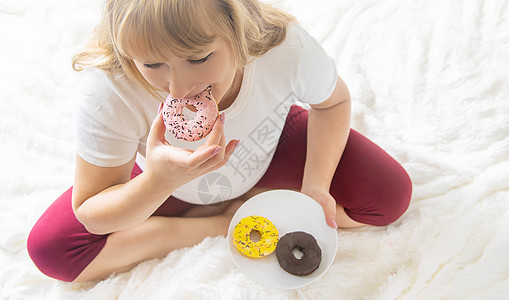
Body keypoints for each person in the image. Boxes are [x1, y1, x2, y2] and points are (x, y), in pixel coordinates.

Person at [27, 0, 412, 282]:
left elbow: (335, 102)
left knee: (389, 196)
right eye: (152, 64)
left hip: (269, 142)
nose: (177, 88)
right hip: (164, 181)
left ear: (238, 30)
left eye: (198, 59)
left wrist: (315, 186)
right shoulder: (110, 90)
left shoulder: (284, 49)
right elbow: (91, 214)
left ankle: (255, 192)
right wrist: (158, 181)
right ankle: (222, 220)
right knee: (53, 252)